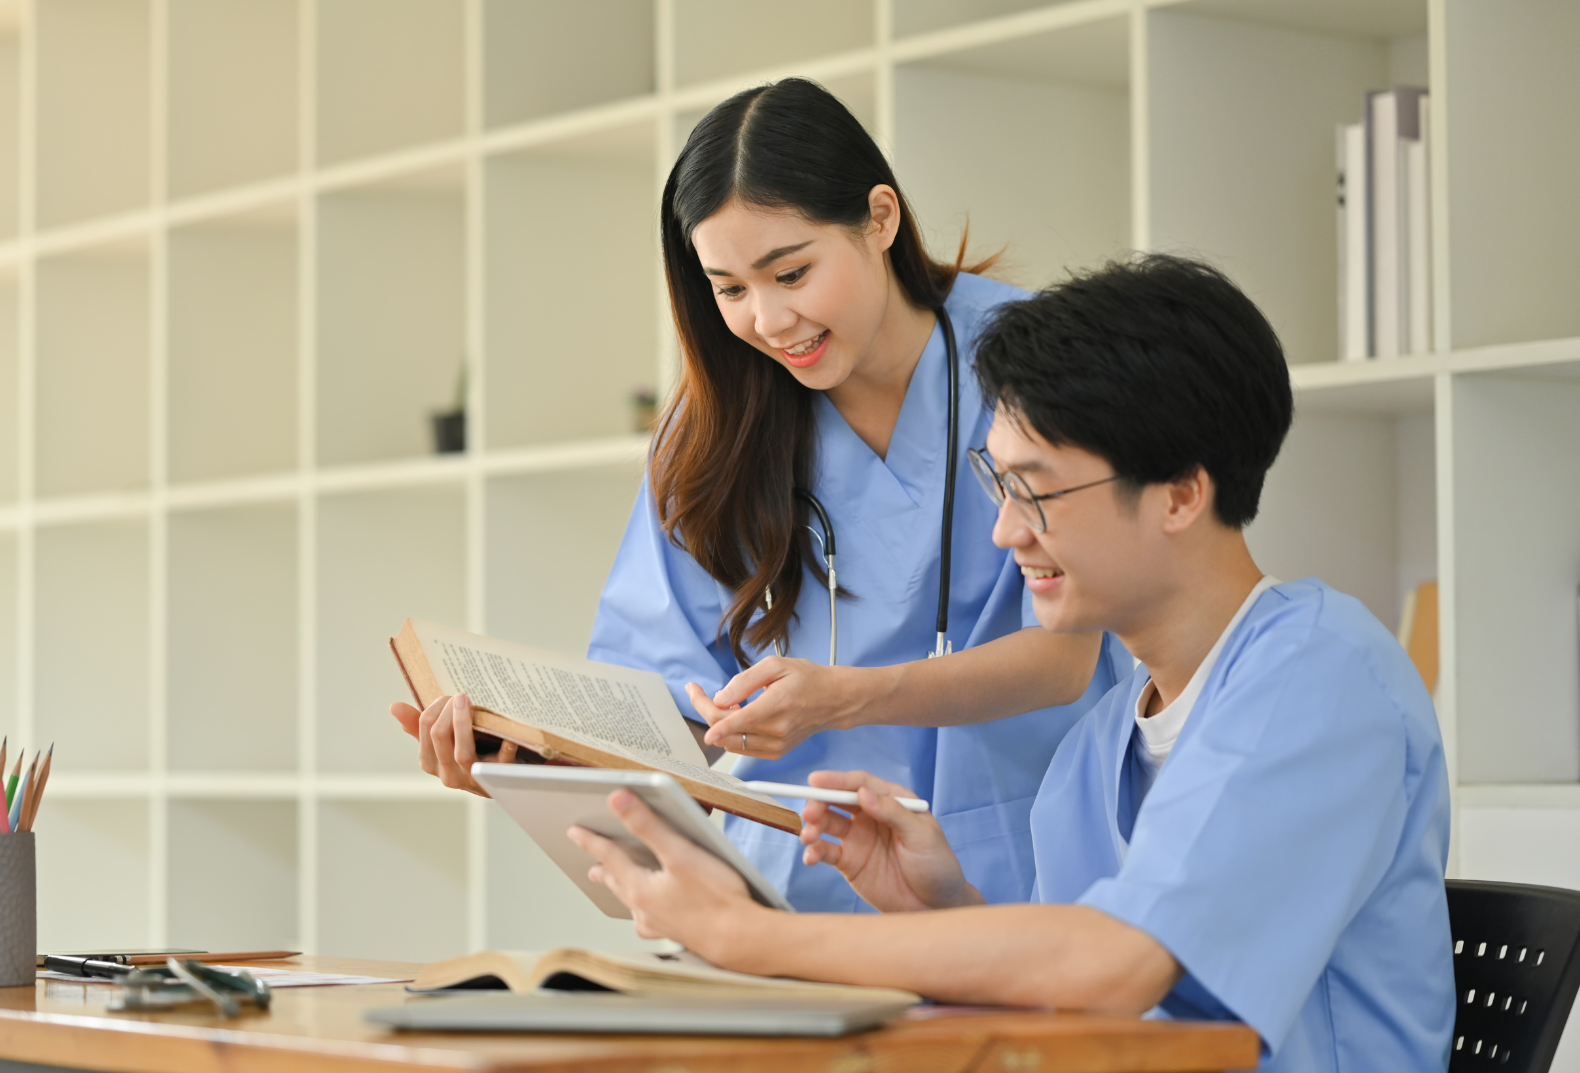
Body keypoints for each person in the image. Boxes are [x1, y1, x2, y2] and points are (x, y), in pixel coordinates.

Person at [565, 256, 1455, 1072]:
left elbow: (1115, 966)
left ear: (1182, 493)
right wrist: (941, 909)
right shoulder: (1105, 739)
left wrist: (744, 937)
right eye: (998, 485)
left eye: (1037, 490)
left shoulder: (1314, 678)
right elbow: (1081, 999)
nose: (1005, 531)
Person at [392, 77, 1131, 911]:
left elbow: (1065, 660)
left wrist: (848, 698)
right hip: (797, 897)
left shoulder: (1038, 363)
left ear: (880, 219)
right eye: (731, 289)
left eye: (791, 272)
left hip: (1021, 878)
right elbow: (668, 715)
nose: (770, 321)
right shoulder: (713, 430)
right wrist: (525, 763)